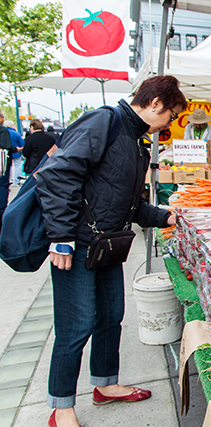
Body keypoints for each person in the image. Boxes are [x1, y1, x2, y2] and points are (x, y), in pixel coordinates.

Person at [36, 75, 187, 427]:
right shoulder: (104, 121)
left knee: (110, 316)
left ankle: (106, 385)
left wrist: (166, 216)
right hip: (77, 244)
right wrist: (60, 236)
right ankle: (62, 409)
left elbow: (130, 205)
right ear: (155, 104)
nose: (169, 124)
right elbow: (57, 175)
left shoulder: (135, 141)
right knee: (76, 325)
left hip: (108, 245)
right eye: (170, 115)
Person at [0, 111, 20, 229]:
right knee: (3, 185)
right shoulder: (3, 130)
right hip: (2, 164)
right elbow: (6, 147)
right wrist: (16, 149)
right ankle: (2, 209)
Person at [5, 120, 25, 185]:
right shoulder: (16, 133)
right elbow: (22, 143)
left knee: (8, 167)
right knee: (17, 166)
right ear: (11, 125)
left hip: (6, 153)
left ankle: (9, 179)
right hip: (16, 152)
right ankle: (17, 180)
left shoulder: (3, 133)